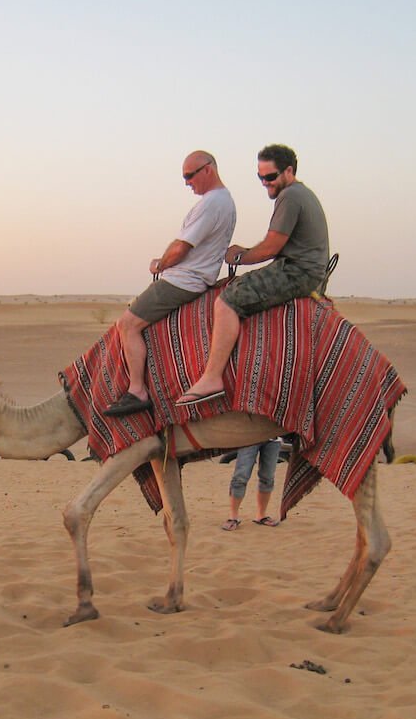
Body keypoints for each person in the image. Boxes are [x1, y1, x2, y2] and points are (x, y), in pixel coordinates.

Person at [176, 144, 330, 406]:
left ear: (289, 171)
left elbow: (271, 247)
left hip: (297, 272)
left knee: (227, 301)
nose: (265, 183)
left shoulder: (290, 197)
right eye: (260, 177)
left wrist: (239, 256)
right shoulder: (301, 194)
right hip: (304, 268)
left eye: (270, 177)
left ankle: (212, 377)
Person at [103, 150, 237, 416]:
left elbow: (181, 247)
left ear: (208, 169)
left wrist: (161, 264)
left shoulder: (212, 203)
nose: (187, 182)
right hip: (195, 277)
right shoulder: (225, 201)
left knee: (127, 325)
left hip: (184, 280)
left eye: (190, 175)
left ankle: (137, 390)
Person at [220, 438, 282, 530]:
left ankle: (261, 516)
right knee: (240, 477)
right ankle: (233, 517)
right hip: (250, 436)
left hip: (274, 438)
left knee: (268, 478)